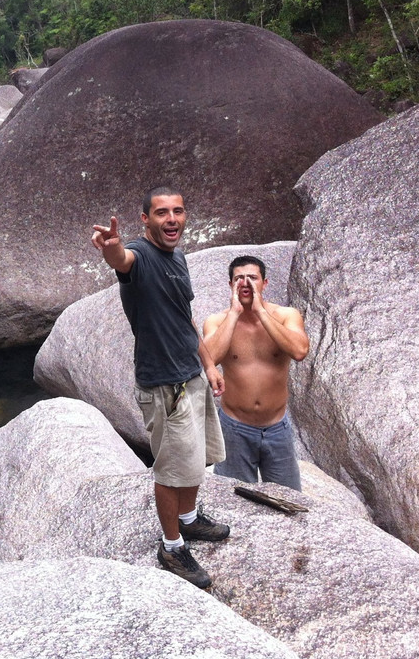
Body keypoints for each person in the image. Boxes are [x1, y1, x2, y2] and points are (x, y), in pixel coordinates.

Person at [91, 188, 229, 590]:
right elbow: (122, 261)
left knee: (196, 457)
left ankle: (189, 520)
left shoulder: (178, 257)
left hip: (191, 375)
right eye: (162, 213)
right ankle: (171, 546)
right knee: (171, 470)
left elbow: (184, 316)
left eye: (178, 211)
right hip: (163, 384)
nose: (172, 219)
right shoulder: (139, 256)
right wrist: (112, 249)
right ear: (145, 219)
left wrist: (207, 363)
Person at [202, 255, 310, 490]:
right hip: (234, 427)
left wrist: (261, 311)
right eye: (239, 279)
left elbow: (299, 350)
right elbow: (208, 359)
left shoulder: (286, 315)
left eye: (252, 278)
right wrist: (234, 314)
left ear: (265, 283)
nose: (246, 284)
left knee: (288, 499)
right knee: (235, 499)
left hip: (276, 427)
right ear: (231, 285)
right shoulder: (217, 321)